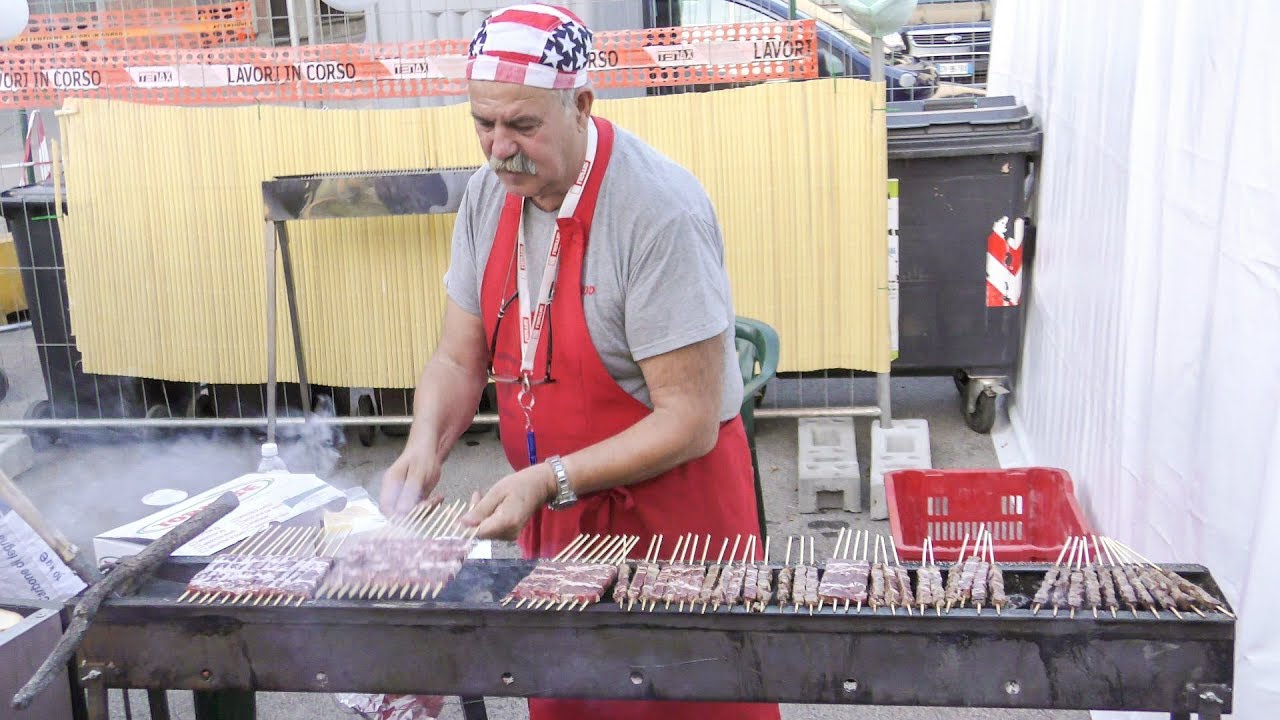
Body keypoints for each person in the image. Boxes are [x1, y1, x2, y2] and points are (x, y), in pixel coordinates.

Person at [379, 5, 779, 719]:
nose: (500, 149)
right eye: (483, 123)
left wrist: (550, 477)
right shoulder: (487, 196)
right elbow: (456, 356)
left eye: (523, 126)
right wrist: (423, 447)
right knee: (572, 699)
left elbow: (688, 422)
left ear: (582, 105)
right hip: (558, 518)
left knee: (685, 699)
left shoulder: (657, 211)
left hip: (675, 526)